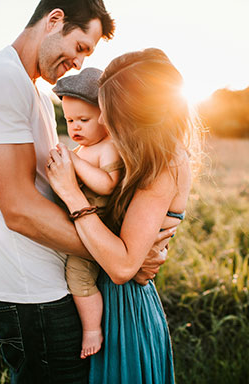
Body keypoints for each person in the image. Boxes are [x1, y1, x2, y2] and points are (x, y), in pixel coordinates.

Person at [0, 0, 174, 381]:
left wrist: (127, 249)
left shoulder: (36, 92)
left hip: (56, 286)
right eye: (80, 48)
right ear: (55, 20)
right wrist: (122, 257)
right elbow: (19, 209)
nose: (79, 63)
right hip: (33, 295)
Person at [47, 48, 200, 383]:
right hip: (107, 299)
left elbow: (122, 266)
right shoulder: (137, 153)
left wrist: (72, 195)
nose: (102, 120)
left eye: (111, 111)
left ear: (140, 114)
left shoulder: (165, 163)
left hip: (125, 309)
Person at [52, 67, 123, 359]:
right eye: (69, 120)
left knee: (78, 277)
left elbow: (107, 185)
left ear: (105, 118)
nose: (75, 128)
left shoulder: (108, 147)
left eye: (83, 120)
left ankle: (92, 328)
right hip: (79, 225)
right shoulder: (84, 148)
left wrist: (74, 162)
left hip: (97, 231)